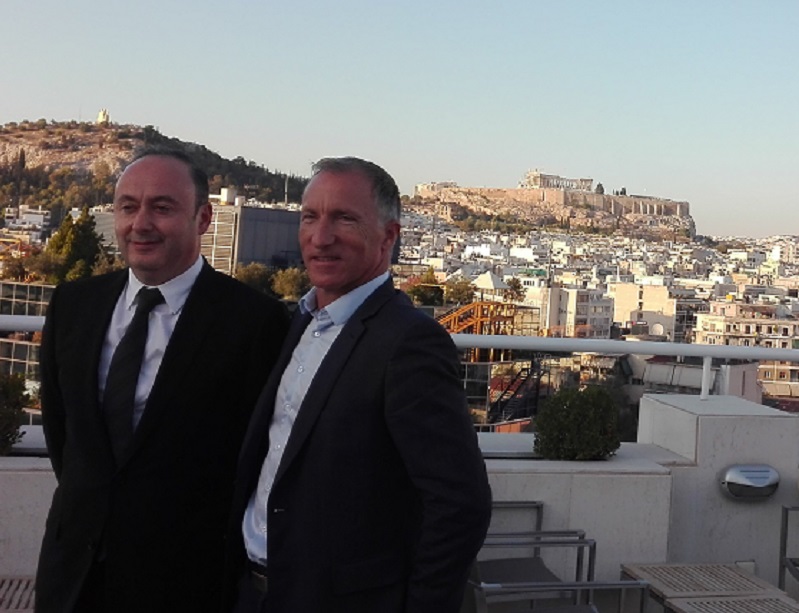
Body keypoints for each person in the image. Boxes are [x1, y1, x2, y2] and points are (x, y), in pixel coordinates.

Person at [225, 157, 492, 613]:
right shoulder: (301, 322)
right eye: (310, 217)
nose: (320, 237)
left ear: (389, 236)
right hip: (254, 592)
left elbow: (460, 504)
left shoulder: (408, 342)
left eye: (344, 219)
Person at [34, 147, 290, 613]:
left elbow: (254, 460)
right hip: (73, 576)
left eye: (163, 207)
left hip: (186, 580)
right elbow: (64, 436)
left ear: (204, 218)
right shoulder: (74, 306)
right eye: (128, 206)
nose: (141, 223)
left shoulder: (256, 324)